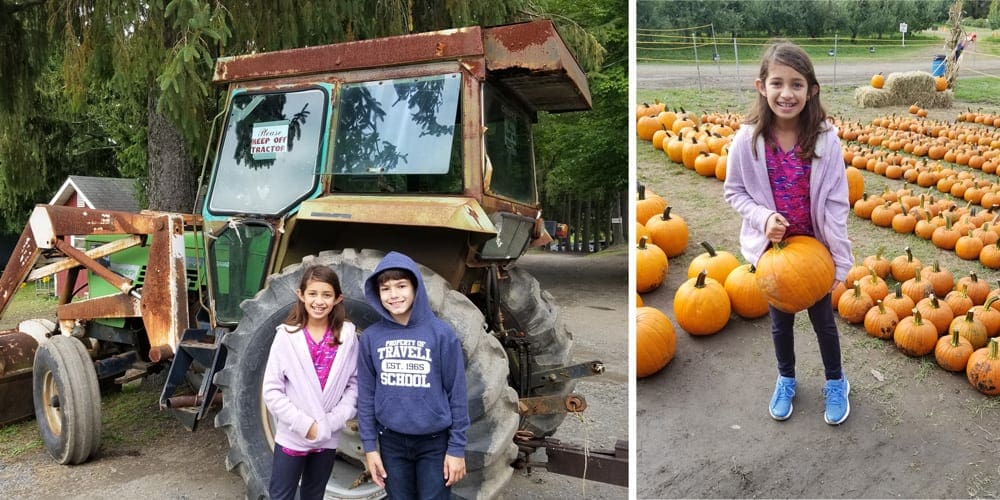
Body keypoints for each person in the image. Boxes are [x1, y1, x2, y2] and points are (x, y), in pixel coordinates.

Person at [723, 40, 853, 425]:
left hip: (814, 252)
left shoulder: (826, 140)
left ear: (811, 90)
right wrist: (763, 218)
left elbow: (836, 202)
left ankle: (835, 381)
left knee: (823, 322)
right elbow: (734, 191)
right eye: (777, 83)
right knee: (780, 323)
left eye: (797, 84)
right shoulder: (747, 141)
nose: (787, 93)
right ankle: (786, 377)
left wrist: (838, 258)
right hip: (774, 252)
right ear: (761, 86)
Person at [358, 251, 469, 499]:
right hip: (391, 443)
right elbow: (366, 395)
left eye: (401, 286)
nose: (394, 295)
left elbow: (457, 394)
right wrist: (369, 448)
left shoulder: (441, 334)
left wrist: (457, 449)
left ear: (415, 287)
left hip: (434, 444)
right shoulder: (371, 338)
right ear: (378, 294)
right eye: (386, 288)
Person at [262, 265, 359, 500]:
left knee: (314, 494)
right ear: (301, 295)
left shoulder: (346, 336)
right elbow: (272, 390)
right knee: (281, 494)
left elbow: (354, 386)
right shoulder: (286, 336)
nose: (319, 301)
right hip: (292, 436)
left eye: (326, 295)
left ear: (338, 298)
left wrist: (332, 422)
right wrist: (306, 425)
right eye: (313, 294)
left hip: (327, 436)